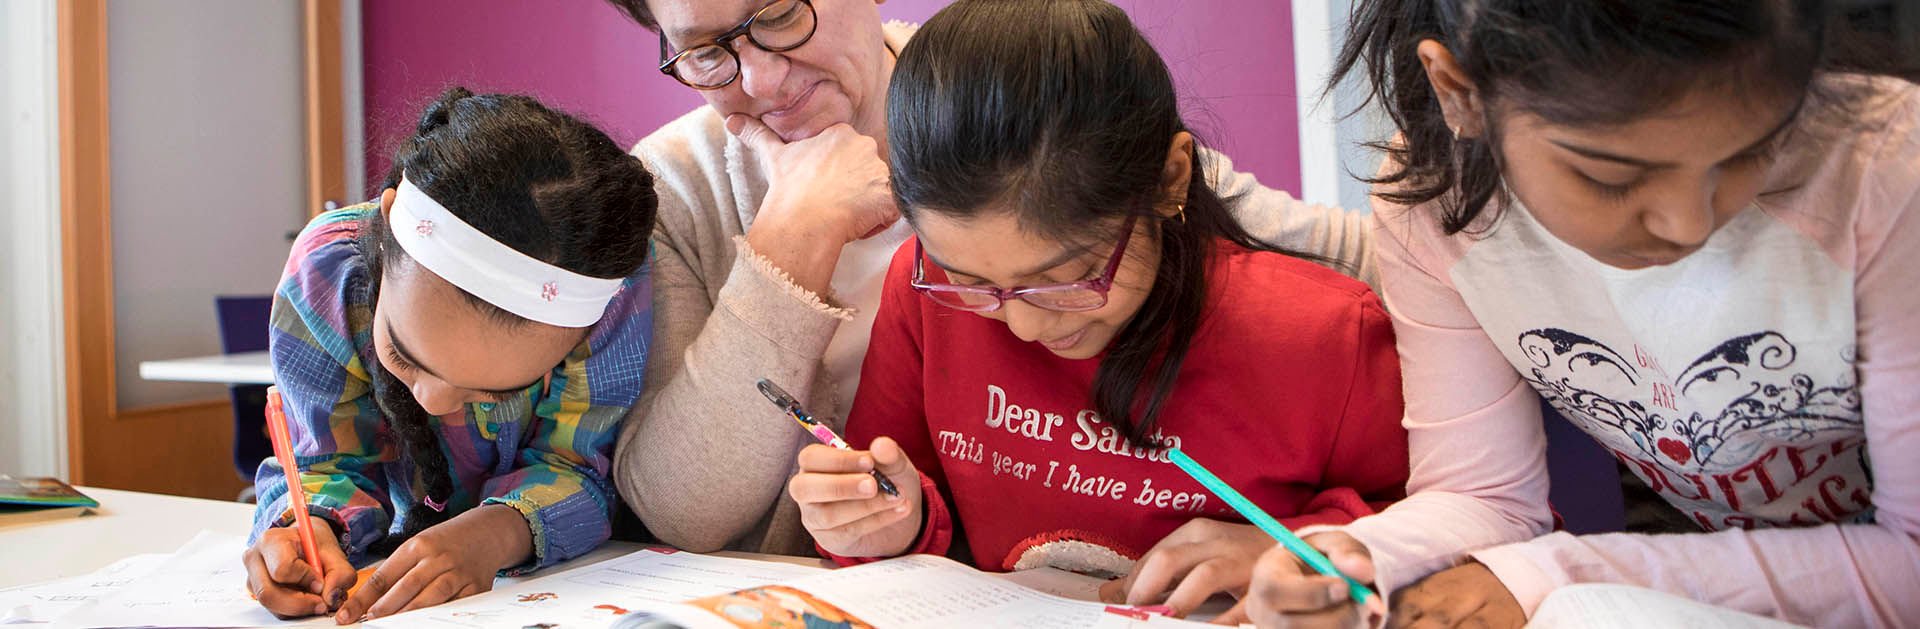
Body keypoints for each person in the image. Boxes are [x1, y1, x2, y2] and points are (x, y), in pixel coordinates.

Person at [603, 0, 1380, 556]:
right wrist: (790, 242)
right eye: (707, 51)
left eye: (779, 14)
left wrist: (1313, 546)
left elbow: (1337, 269)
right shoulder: (674, 188)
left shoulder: (1048, 107)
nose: (764, 81)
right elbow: (690, 510)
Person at [1240, 1, 1920, 626]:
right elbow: (1486, 498)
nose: (1687, 223)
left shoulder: (1886, 165)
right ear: (1458, 91)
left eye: (1751, 152)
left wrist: (1547, 571)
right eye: (1612, 177)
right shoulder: (1438, 202)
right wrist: (1353, 559)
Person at [784, 2, 1410, 622]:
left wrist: (1296, 547)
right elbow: (905, 499)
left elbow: (1451, 520)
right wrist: (881, 522)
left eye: (1065, 279)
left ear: (1170, 177)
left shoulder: (1324, 335)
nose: (1026, 325)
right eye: (972, 281)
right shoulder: (925, 293)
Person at [243, 88, 658, 622]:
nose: (434, 403)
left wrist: (496, 534)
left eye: (498, 391)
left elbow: (578, 464)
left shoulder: (612, 292)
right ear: (388, 221)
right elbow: (321, 460)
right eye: (402, 353)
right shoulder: (330, 271)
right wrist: (307, 528)